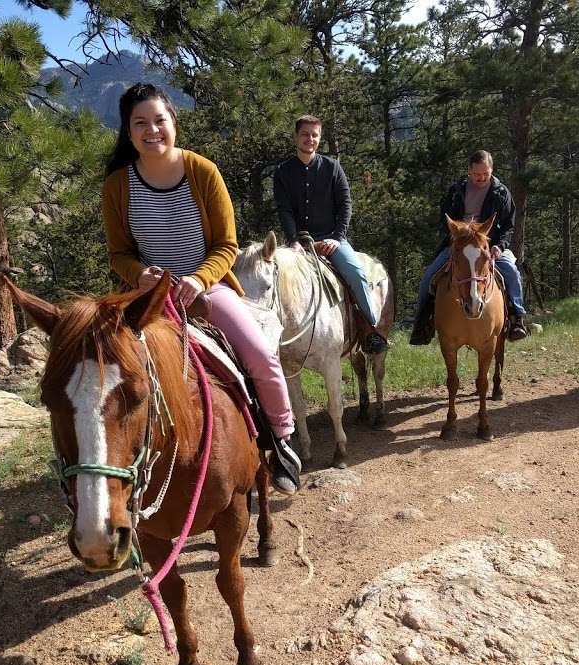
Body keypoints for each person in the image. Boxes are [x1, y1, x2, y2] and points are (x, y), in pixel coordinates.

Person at [101, 83, 301, 495]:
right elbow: (118, 252)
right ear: (127, 130)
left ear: (174, 122)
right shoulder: (118, 185)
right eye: (140, 123)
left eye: (159, 120)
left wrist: (198, 278)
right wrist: (139, 275)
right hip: (147, 299)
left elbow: (226, 245)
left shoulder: (202, 171)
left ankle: (281, 440)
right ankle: (108, 457)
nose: (151, 130)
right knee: (102, 369)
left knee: (260, 355)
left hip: (204, 290)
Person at [273, 115, 388, 354]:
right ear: (295, 136)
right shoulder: (283, 172)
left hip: (332, 239)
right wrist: (294, 240)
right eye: (305, 134)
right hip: (299, 244)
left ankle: (371, 331)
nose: (310, 139)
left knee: (355, 274)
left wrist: (337, 237)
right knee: (273, 279)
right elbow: (284, 209)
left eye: (315, 135)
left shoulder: (332, 167)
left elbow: (345, 205)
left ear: (320, 138)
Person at [410, 150, 528, 345]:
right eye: (476, 174)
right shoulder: (457, 190)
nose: (481, 178)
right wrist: (458, 234)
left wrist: (499, 246)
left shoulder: (502, 193)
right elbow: (444, 217)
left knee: (512, 272)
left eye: (485, 174)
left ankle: (517, 318)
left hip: (489, 244)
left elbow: (508, 225)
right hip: (460, 243)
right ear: (469, 171)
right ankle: (423, 323)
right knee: (428, 278)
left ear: (492, 170)